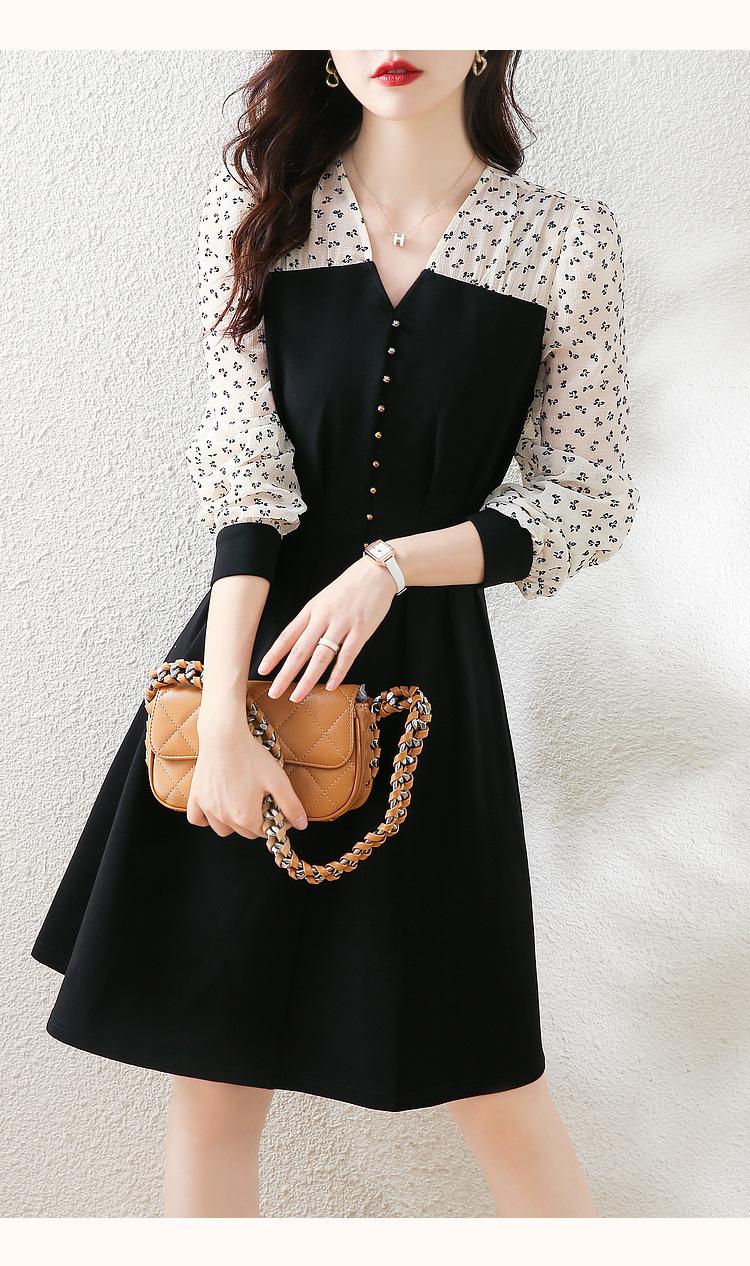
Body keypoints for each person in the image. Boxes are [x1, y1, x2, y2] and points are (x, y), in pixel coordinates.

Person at [31, 50, 640, 1217]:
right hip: (251, 670)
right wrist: (220, 723)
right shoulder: (260, 206)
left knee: (495, 1084)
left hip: (429, 700)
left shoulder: (565, 238)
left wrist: (391, 568)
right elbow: (243, 471)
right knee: (213, 1093)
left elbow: (589, 498)